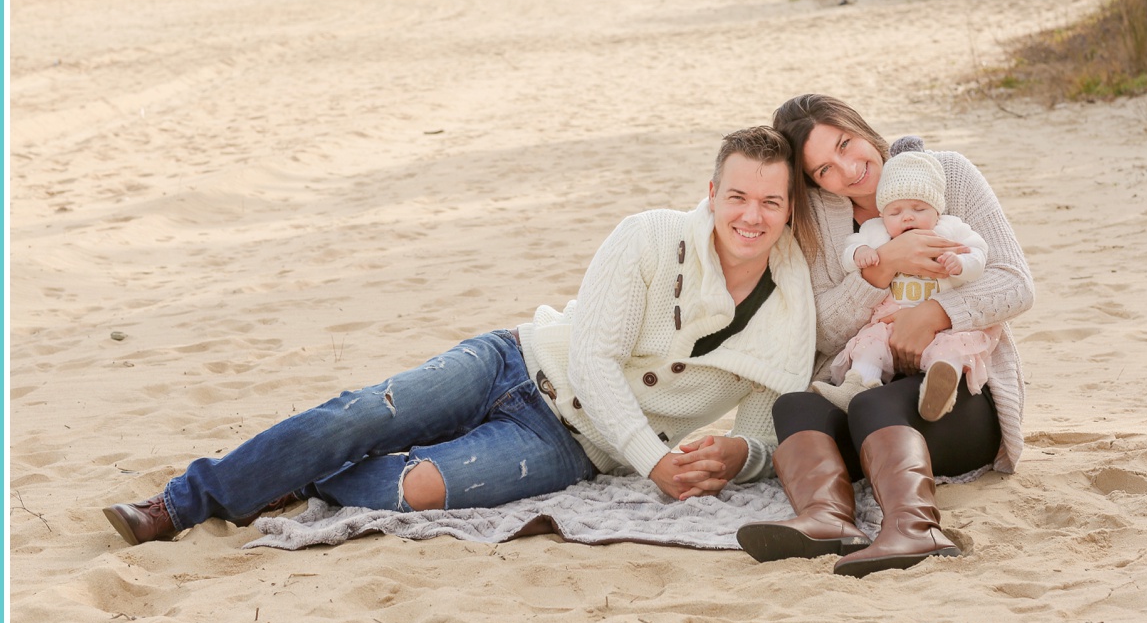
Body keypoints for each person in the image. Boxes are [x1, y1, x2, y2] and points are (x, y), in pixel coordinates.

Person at [103, 127, 817, 546]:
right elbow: (595, 362)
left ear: (789, 210)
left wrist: (739, 455)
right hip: (512, 360)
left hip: (568, 446)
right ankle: (182, 502)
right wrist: (655, 462)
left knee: (418, 487)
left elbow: (764, 438)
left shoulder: (788, 312)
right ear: (714, 191)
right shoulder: (649, 237)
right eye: (737, 196)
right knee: (361, 414)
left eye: (770, 202)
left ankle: (295, 474)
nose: (750, 216)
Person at [736, 94, 1033, 578]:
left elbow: (1015, 283)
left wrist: (935, 313)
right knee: (795, 405)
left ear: (858, 125)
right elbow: (821, 329)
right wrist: (882, 269)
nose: (848, 170)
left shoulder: (948, 174)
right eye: (824, 170)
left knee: (875, 404)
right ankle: (827, 520)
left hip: (958, 396)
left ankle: (916, 530)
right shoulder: (815, 219)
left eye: (846, 144)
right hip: (868, 387)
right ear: (812, 182)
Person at [810, 148, 1001, 422]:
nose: (907, 217)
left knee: (953, 346)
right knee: (871, 342)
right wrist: (861, 254)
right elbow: (851, 249)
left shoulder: (951, 228)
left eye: (919, 208)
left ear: (937, 210)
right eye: (896, 211)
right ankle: (858, 385)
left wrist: (961, 264)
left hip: (942, 326)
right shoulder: (878, 231)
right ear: (883, 214)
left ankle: (940, 385)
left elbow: (978, 253)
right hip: (890, 323)